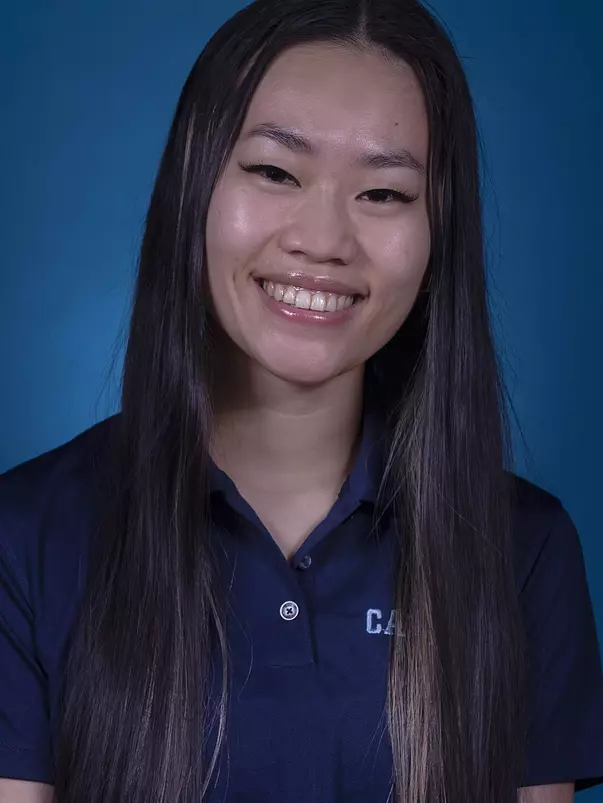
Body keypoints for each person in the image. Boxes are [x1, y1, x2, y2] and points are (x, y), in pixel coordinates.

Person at [1, 0, 602, 801]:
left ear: (437, 233)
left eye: (383, 193)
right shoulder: (27, 538)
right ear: (193, 188)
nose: (323, 239)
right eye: (275, 172)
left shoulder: (522, 551)